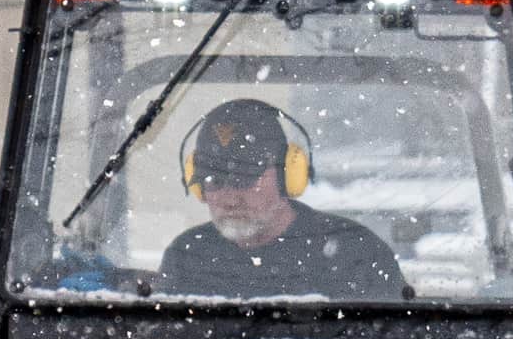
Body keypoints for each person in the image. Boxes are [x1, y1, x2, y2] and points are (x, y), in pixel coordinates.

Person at [157, 97, 405, 301]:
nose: (230, 199)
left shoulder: (356, 254)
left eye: (244, 180)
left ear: (287, 175)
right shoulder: (187, 258)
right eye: (213, 181)